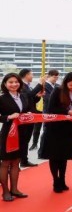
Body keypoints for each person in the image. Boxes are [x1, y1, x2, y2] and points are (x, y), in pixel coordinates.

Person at [38, 72, 72, 193]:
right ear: (65, 83)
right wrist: (67, 112)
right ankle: (56, 181)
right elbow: (51, 109)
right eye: (71, 85)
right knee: (55, 156)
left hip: (69, 130)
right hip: (55, 130)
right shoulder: (58, 91)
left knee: (64, 156)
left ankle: (62, 180)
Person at [0, 73, 31, 201]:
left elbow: (26, 110)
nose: (14, 84)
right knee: (5, 162)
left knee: (16, 161)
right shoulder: (2, 98)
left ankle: (14, 189)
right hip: (8, 133)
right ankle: (5, 191)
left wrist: (28, 114)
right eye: (10, 82)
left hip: (22, 133)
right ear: (5, 84)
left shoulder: (23, 96)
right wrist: (8, 117)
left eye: (16, 82)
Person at [29, 69, 59, 151]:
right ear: (49, 76)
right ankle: (34, 143)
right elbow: (44, 97)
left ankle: (48, 145)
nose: (56, 79)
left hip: (50, 110)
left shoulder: (57, 86)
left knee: (48, 128)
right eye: (54, 77)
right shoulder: (43, 85)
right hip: (40, 108)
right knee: (37, 128)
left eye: (57, 77)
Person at [18, 68, 42, 167]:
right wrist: (40, 84)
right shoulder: (21, 86)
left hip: (31, 116)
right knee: (23, 139)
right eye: (31, 74)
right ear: (26, 75)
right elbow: (27, 96)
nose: (32, 76)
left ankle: (24, 160)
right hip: (24, 116)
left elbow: (31, 99)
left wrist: (38, 96)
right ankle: (21, 160)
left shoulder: (28, 86)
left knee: (26, 139)